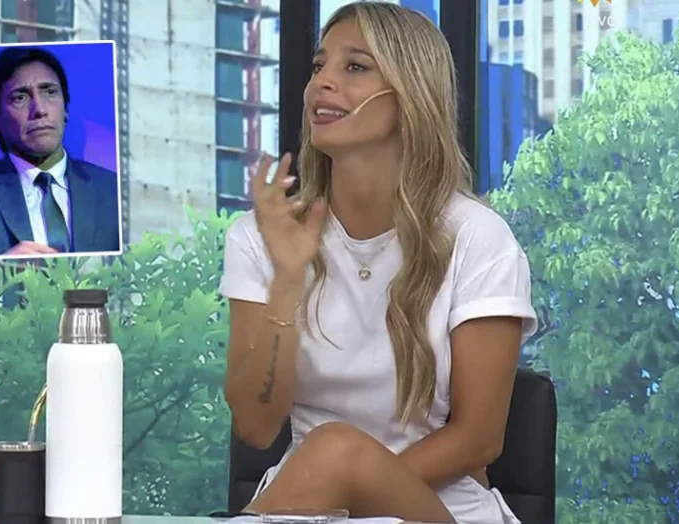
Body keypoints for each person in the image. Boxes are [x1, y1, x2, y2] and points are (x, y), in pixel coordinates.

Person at [218, 3, 537, 524]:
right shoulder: (260, 237)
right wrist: (287, 280)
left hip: (435, 505)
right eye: (319, 66)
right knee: (330, 451)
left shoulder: (478, 238)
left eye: (355, 67)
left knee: (335, 448)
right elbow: (255, 427)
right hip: (305, 506)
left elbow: (478, 438)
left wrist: (349, 478)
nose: (321, 82)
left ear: (410, 93)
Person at [0, 46, 120, 259]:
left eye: (50, 92)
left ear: (66, 109)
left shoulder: (112, 189)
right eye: (20, 97)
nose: (39, 110)